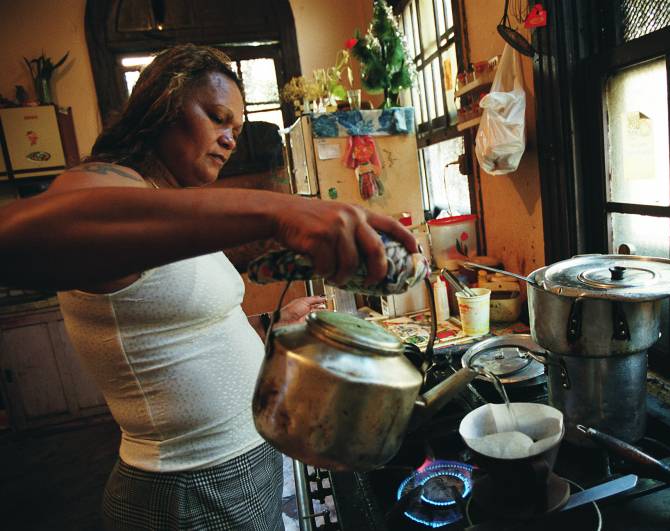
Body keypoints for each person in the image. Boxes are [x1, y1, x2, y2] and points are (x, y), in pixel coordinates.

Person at [0, 44, 416, 530]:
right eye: (217, 118)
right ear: (163, 105)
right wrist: (279, 211)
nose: (229, 139)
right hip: (185, 487)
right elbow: (17, 242)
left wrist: (274, 326)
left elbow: (186, 327)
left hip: (238, 466)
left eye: (237, 130)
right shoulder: (104, 183)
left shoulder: (166, 205)